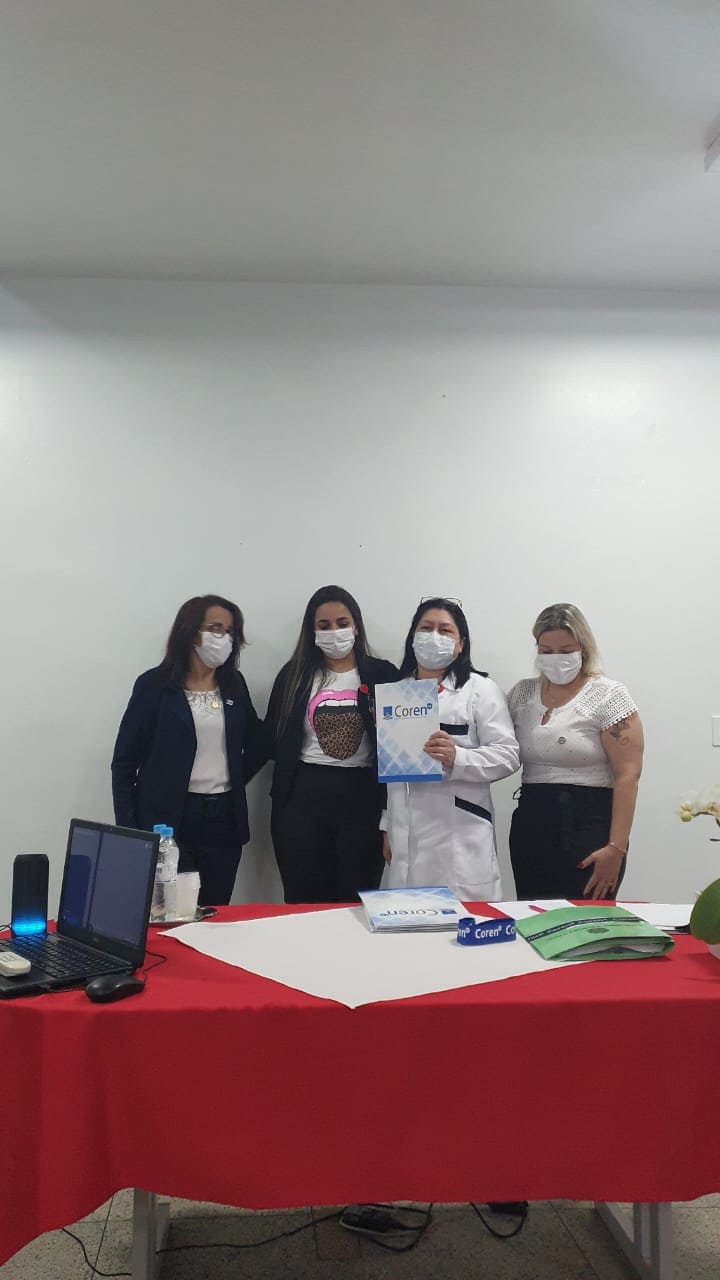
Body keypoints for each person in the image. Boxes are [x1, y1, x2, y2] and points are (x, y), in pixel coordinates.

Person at [111, 594, 262, 905]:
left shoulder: (234, 684)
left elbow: (257, 743)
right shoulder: (154, 685)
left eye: (230, 632)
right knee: (172, 910)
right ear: (191, 633)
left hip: (223, 820)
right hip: (168, 820)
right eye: (216, 629)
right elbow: (124, 764)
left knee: (215, 911)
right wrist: (131, 832)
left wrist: (235, 779)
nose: (224, 638)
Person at [253, 585, 399, 904]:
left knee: (357, 901)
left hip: (362, 796)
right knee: (304, 899)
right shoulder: (294, 676)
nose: (334, 632)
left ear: (356, 627)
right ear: (312, 632)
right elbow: (268, 738)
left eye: (342, 623)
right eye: (324, 625)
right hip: (301, 797)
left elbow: (403, 743)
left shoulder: (382, 674)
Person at [382, 598, 519, 900]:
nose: (434, 637)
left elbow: (508, 755)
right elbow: (393, 774)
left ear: (460, 645)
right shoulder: (397, 692)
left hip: (460, 837)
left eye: (445, 630)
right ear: (413, 638)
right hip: (405, 838)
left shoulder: (480, 690)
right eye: (426, 628)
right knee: (408, 919)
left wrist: (459, 757)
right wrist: (388, 826)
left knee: (464, 921)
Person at [507, 602, 644, 901]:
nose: (556, 658)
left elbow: (627, 776)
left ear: (583, 648)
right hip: (532, 825)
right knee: (533, 918)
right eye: (546, 651)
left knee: (587, 920)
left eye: (566, 650)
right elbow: (498, 747)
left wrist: (616, 849)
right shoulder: (521, 694)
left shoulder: (609, 695)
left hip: (590, 828)